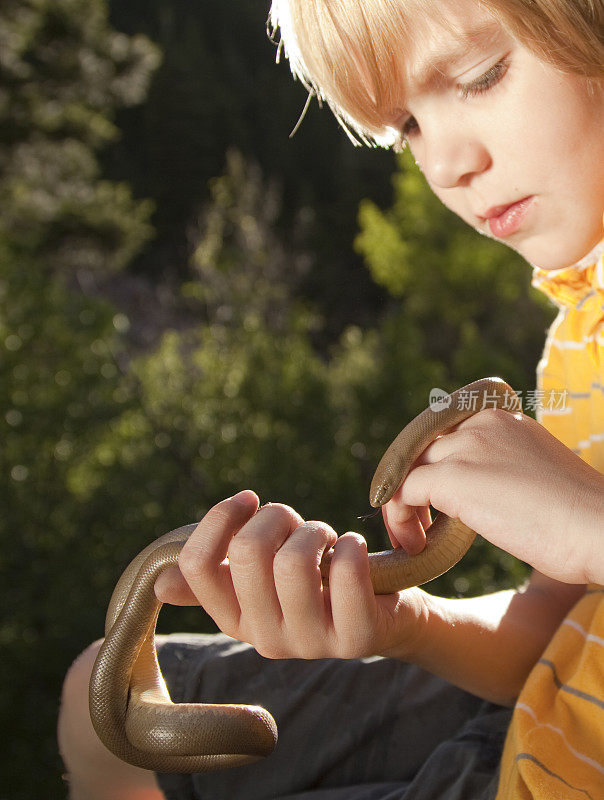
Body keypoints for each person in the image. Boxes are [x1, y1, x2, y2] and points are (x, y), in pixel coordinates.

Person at [58, 1, 604, 798]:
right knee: (97, 698)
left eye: (481, 76)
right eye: (406, 127)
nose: (446, 163)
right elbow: (546, 633)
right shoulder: (575, 332)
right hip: (535, 724)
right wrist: (402, 621)